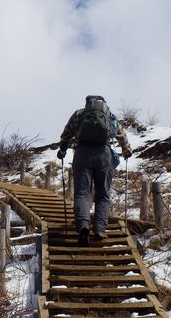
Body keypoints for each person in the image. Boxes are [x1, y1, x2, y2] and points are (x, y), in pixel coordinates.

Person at [57, 95, 132, 247]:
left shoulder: (79, 114)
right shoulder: (109, 115)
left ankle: (84, 225)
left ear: (87, 103)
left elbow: (66, 133)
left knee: (82, 193)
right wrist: (127, 151)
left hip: (82, 154)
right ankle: (99, 229)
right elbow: (122, 136)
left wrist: (63, 149)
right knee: (103, 194)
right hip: (103, 155)